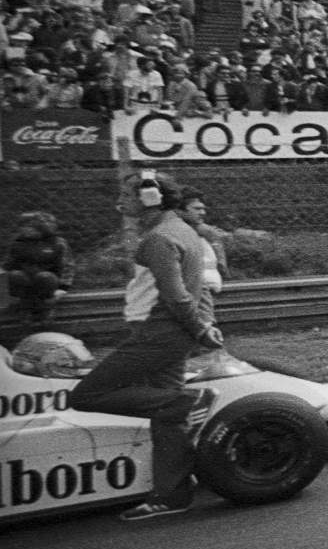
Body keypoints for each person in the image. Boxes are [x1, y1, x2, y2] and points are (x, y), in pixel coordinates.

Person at [67, 171, 224, 521]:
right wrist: (202, 327)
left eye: (126, 195)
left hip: (158, 333)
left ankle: (190, 401)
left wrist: (200, 330)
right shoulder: (184, 231)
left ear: (151, 198)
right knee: (167, 417)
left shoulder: (159, 238)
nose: (119, 202)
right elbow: (194, 291)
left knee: (85, 395)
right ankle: (172, 496)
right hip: (170, 333)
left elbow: (177, 296)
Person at [5, 211, 73, 322]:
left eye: (29, 227)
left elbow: (67, 266)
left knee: (44, 277)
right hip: (26, 279)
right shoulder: (18, 243)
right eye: (22, 226)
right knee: (15, 275)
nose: (24, 229)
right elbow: (9, 264)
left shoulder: (57, 243)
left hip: (48, 280)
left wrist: (63, 287)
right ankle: (25, 309)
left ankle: (46, 309)